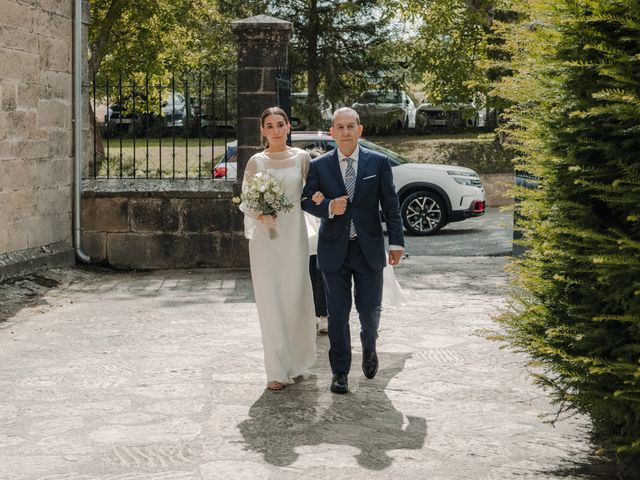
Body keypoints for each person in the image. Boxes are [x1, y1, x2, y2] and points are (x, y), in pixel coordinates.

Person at [301, 107, 405, 394]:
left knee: (370, 309)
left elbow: (391, 205)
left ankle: (369, 346)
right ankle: (340, 372)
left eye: (350, 126)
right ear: (332, 132)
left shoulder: (379, 163)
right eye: (339, 127)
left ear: (360, 130)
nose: (345, 132)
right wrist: (328, 207)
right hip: (333, 250)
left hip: (368, 248)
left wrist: (396, 242)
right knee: (337, 314)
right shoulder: (320, 165)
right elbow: (306, 200)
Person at [239, 107, 323, 391]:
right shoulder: (256, 162)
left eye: (280, 125)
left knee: (295, 299)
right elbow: (246, 200)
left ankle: (297, 363)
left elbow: (311, 195)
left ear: (289, 127)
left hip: (293, 236)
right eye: (269, 126)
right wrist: (260, 215)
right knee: (270, 302)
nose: (275, 130)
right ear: (262, 130)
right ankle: (275, 370)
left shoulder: (302, 158)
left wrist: (321, 196)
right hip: (265, 241)